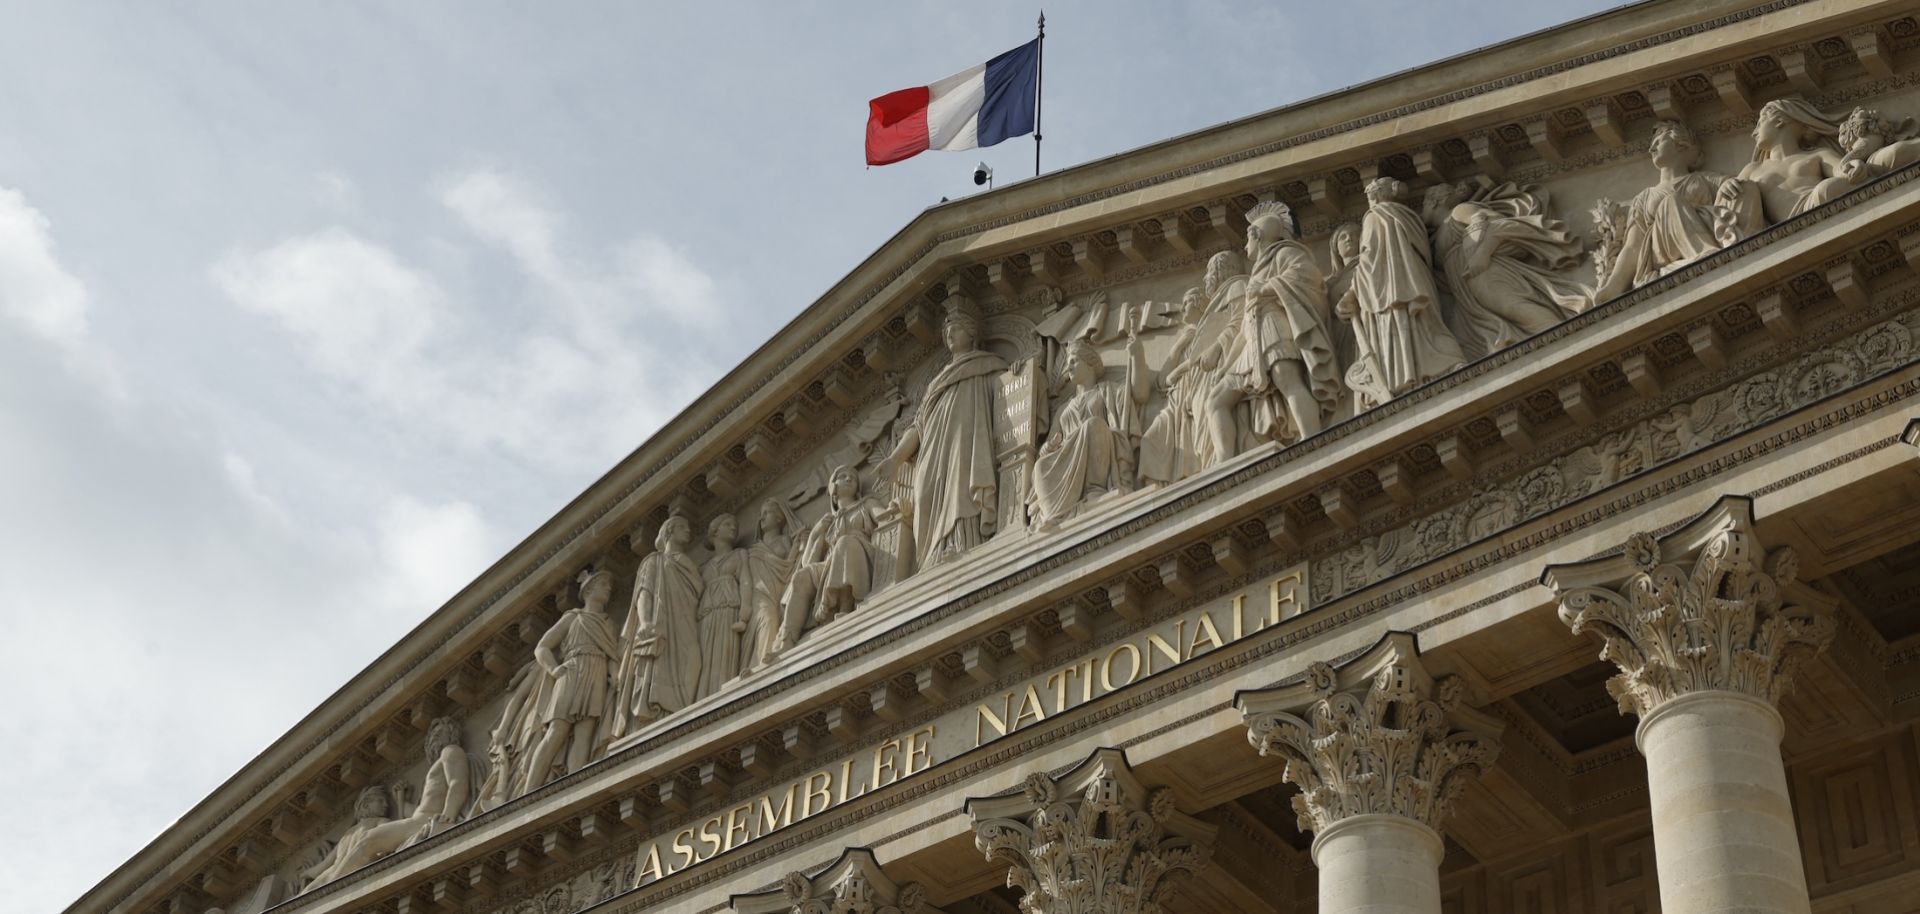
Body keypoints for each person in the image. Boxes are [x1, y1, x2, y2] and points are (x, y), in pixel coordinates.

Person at [1203, 201, 1341, 458]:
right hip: (1252, 340)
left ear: (1257, 236)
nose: (1245, 247)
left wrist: (1267, 289)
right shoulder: (1257, 270)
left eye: (1247, 239)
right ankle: (1223, 467)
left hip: (1274, 329)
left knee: (1288, 381)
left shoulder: (1284, 254)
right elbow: (1245, 328)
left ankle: (1312, 442)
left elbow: (1308, 276)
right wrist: (1225, 367)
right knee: (1216, 400)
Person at [881, 304, 1006, 571]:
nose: (950, 332)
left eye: (957, 327)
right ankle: (931, 559)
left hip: (967, 439)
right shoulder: (935, 383)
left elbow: (1007, 388)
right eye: (947, 329)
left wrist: (1018, 371)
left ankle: (962, 545)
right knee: (924, 492)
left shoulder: (987, 364)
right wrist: (895, 459)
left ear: (972, 334)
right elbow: (918, 426)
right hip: (932, 452)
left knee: (962, 485)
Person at [1344, 177, 1466, 402]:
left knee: (1401, 329)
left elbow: (1370, 258)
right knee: (1427, 327)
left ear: (1375, 195)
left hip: (1391, 288)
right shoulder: (1410, 217)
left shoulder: (1375, 217)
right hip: (1418, 281)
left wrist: (1351, 293)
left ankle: (1405, 379)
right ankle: (1447, 362)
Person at [1431, 182, 1592, 351]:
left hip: (1482, 272)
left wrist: (1482, 253)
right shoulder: (1438, 236)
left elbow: (1500, 223)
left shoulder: (1459, 211)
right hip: (1464, 291)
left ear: (1432, 202)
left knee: (1515, 308)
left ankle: (1567, 345)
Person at [1592, 121, 1743, 300]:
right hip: (1662, 253)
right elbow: (1633, 246)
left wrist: (1728, 185)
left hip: (1707, 235)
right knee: (1670, 202)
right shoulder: (1644, 197)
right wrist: (1613, 286)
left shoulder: (1702, 179)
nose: (1651, 149)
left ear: (1681, 145)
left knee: (1741, 188)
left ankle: (1726, 252)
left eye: (1658, 142)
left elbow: (1733, 186)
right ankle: (1707, 257)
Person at [1029, 332, 1149, 527]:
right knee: (1040, 467)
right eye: (1068, 362)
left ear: (1090, 364)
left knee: (1093, 425)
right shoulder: (1063, 410)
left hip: (1097, 449)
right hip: (1068, 461)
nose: (1069, 367)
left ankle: (1095, 491)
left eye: (1074, 361)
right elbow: (1047, 447)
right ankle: (1056, 511)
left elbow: (1140, 394)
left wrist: (1136, 356)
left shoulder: (1108, 391)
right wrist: (1047, 449)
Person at [521, 567, 620, 789]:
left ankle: (576, 787)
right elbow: (542, 647)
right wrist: (555, 670)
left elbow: (612, 653)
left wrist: (615, 675)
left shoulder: (608, 623)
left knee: (584, 733)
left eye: (609, 586)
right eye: (603, 585)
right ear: (588, 590)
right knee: (557, 731)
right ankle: (528, 792)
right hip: (572, 672)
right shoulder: (573, 618)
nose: (608, 589)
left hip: (597, 673)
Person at [614, 516, 703, 732]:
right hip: (661, 624)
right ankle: (659, 716)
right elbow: (644, 592)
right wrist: (645, 622)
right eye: (682, 527)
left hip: (688, 622)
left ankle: (683, 713)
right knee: (661, 669)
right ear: (669, 532)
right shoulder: (654, 561)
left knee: (694, 660)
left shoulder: (686, 563)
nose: (688, 532)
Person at [780, 465, 880, 643]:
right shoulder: (829, 522)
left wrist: (896, 506)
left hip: (862, 557)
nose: (849, 479)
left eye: (853, 478)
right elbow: (808, 561)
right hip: (831, 565)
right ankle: (786, 640)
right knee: (802, 577)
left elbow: (883, 515)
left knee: (844, 543)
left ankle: (845, 606)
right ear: (833, 487)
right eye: (843, 476)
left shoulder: (867, 504)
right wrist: (816, 532)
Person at [738, 499, 801, 676]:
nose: (762, 517)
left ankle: (760, 666)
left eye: (768, 513)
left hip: (777, 589)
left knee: (772, 619)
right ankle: (758, 665)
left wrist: (797, 545)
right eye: (761, 514)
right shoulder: (753, 549)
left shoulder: (784, 541)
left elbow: (789, 566)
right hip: (758, 593)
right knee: (767, 619)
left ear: (780, 518)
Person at [695, 515, 746, 699]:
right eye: (728, 524)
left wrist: (745, 614)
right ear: (714, 531)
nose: (733, 527)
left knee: (724, 654)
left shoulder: (739, 555)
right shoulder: (703, 567)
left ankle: (721, 696)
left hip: (728, 611)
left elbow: (746, 582)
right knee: (705, 658)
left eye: (735, 525)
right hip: (706, 616)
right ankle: (702, 699)